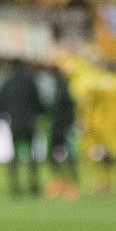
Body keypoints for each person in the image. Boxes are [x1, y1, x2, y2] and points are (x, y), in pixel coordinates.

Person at [75, 59, 116, 195]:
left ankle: (105, 182)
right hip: (97, 124)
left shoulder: (92, 81)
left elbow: (83, 103)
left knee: (104, 154)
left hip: (103, 124)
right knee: (98, 153)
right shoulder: (93, 80)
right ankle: (101, 181)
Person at [0, 58, 43, 197]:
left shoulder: (8, 82)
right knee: (32, 154)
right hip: (29, 121)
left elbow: (0, 102)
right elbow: (38, 102)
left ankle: (15, 186)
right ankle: (33, 185)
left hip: (15, 122)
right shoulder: (30, 81)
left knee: (14, 154)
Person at [43, 58, 79, 199]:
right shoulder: (61, 86)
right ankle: (63, 182)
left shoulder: (61, 87)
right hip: (59, 126)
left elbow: (65, 108)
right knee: (57, 156)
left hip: (61, 126)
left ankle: (70, 184)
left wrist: (69, 125)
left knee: (66, 156)